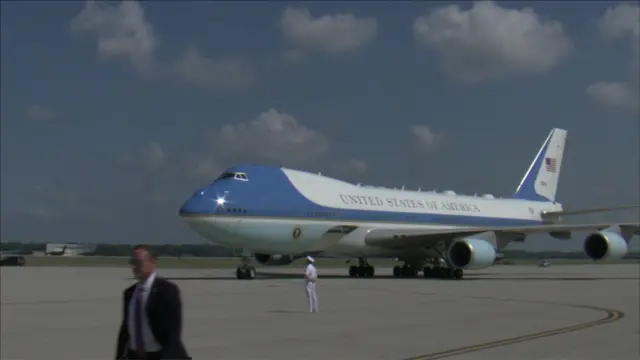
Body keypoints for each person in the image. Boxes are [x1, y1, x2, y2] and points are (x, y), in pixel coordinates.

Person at [115, 244, 191, 359]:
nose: (135, 266)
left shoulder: (166, 290)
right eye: (132, 262)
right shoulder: (129, 293)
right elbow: (126, 328)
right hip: (134, 356)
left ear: (152, 261)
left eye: (138, 262)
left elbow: (173, 332)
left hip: (160, 355)